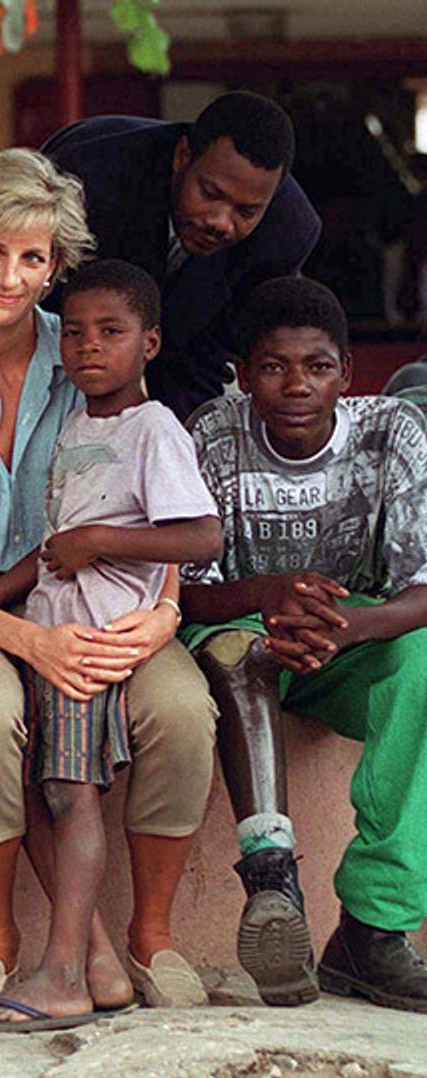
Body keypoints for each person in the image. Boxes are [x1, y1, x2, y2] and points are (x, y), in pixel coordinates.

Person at [0, 150, 219, 1022]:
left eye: (34, 258)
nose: (12, 276)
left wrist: (167, 612)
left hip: (111, 611)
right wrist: (33, 643)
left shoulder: (96, 342)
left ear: (55, 266)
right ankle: (1, 942)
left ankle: (149, 936)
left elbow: (160, 481)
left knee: (179, 708)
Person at [0, 260, 222, 1031]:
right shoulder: (79, 426)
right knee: (46, 792)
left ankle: (64, 973)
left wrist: (102, 541)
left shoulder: (154, 428)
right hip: (53, 630)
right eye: (73, 332)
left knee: (73, 797)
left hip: (92, 645)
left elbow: (202, 533)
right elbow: (52, 550)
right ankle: (95, 968)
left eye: (111, 332)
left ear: (151, 342)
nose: (87, 348)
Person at [180, 277, 427, 1013]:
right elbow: (186, 590)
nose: (296, 386)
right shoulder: (213, 435)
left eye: (317, 367)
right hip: (244, 639)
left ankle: (372, 932)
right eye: (272, 367)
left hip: (353, 636)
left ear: (347, 373)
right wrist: (266, 596)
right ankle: (272, 877)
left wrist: (350, 625)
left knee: (425, 665)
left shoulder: (393, 433)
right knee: (235, 648)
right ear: (243, 374)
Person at [41, 91, 321, 420]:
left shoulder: (286, 232)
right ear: (182, 155)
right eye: (210, 193)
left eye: (246, 211)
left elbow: (208, 357)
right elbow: (39, 306)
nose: (221, 222)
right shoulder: (87, 178)